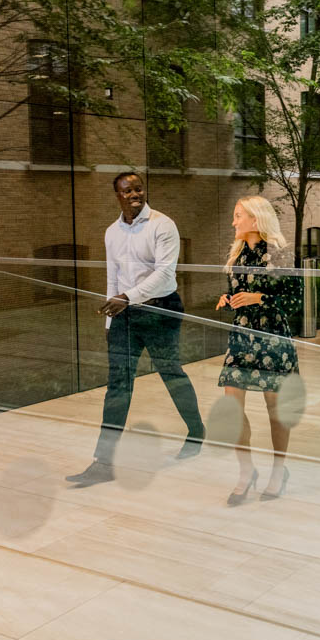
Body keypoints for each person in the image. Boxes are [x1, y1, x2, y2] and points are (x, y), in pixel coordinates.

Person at [67, 172, 205, 487]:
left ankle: (197, 431)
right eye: (127, 190)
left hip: (161, 310)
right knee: (117, 386)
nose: (134, 194)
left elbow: (166, 275)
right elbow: (112, 278)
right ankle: (104, 463)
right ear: (117, 195)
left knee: (170, 372)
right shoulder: (111, 232)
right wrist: (109, 319)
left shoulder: (162, 225)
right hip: (124, 315)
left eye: (138, 188)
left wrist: (127, 298)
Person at [216, 196, 301, 504]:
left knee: (276, 412)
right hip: (241, 339)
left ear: (255, 219)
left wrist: (258, 299)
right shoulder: (237, 255)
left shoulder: (279, 252)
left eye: (238, 216)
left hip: (273, 339)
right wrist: (229, 299)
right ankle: (245, 471)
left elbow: (295, 301)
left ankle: (279, 470)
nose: (233, 222)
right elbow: (237, 291)